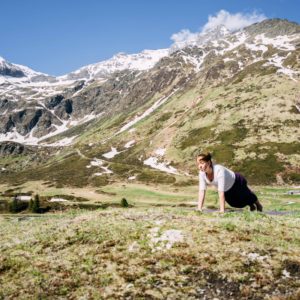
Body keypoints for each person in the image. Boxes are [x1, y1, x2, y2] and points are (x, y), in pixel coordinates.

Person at [196, 152, 263, 213]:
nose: (200, 166)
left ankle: (257, 204)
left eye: (202, 163)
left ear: (208, 162)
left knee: (246, 195)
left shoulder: (219, 170)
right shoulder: (202, 174)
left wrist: (222, 211)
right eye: (198, 164)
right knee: (235, 204)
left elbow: (221, 192)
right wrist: (199, 209)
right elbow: (202, 191)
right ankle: (251, 204)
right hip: (227, 189)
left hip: (237, 181)